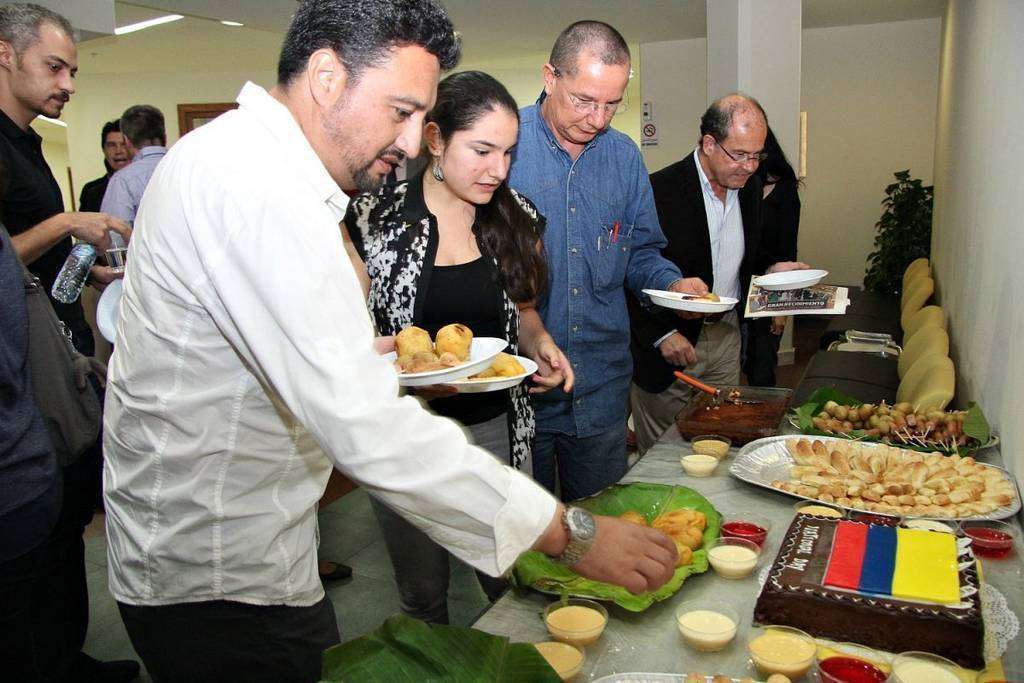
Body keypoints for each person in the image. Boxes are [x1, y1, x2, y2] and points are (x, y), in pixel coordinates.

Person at [103, 2, 678, 680]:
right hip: (220, 581)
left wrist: (354, 358)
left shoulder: (252, 165)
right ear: (326, 78)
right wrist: (569, 533)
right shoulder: (253, 188)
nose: (411, 142)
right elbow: (365, 425)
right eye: (401, 111)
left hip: (246, 553)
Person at [345, 70, 574, 624]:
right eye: (482, 149)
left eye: (508, 153)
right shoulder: (374, 218)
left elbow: (522, 311)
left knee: (509, 579)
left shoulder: (516, 215)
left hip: (496, 426)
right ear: (435, 140)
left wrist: (540, 342)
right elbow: (348, 329)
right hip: (404, 436)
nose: (498, 169)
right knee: (423, 592)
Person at [507, 21, 707, 501]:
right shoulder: (504, 147)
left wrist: (672, 284)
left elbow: (641, 251)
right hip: (519, 389)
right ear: (550, 77)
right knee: (523, 539)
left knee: (604, 531)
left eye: (612, 104)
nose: (598, 119)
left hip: (601, 388)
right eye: (583, 100)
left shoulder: (624, 158)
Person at [0, 6, 138, 682]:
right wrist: (65, 222)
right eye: (55, 67)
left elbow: (34, 268)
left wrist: (97, 270)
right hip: (21, 382)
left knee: (65, 526)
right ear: (4, 55)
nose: (69, 84)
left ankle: (68, 658)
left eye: (73, 70)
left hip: (59, 351)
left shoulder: (28, 143)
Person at [628, 94, 808, 454]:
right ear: (709, 143)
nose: (748, 166)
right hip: (670, 342)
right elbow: (630, 269)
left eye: (756, 155)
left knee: (719, 439)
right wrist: (661, 334)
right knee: (665, 455)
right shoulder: (659, 190)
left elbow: (745, 255)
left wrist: (773, 268)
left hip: (726, 335)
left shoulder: (749, 188)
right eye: (739, 154)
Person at [742, 126, 801, 387]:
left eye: (755, 154)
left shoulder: (786, 191)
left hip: (770, 286)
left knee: (762, 363)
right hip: (739, 282)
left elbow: (788, 251)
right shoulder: (739, 188)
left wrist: (781, 307)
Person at [100, 104, 167, 225]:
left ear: (127, 141)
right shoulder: (190, 169)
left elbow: (116, 239)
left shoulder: (123, 180)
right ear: (165, 138)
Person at [78, 119, 129, 212]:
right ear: (104, 150)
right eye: (111, 145)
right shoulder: (90, 191)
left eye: (123, 144)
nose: (119, 151)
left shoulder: (146, 185)